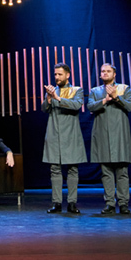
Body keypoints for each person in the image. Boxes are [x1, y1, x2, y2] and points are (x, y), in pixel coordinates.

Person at [88, 63, 131, 214]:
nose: (105, 73)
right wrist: (105, 100)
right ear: (100, 75)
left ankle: (123, 203)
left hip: (120, 135)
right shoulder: (95, 91)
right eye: (103, 71)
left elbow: (130, 106)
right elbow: (90, 107)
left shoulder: (124, 88)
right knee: (106, 171)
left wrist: (116, 97)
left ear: (115, 74)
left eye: (108, 71)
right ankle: (109, 203)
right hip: (102, 134)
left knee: (122, 171)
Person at [42, 63, 86, 213]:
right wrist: (48, 98)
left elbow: (76, 106)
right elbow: (44, 109)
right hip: (54, 134)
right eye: (55, 74)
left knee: (73, 169)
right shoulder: (52, 91)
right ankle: (57, 202)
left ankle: (72, 203)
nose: (57, 77)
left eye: (59, 74)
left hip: (71, 136)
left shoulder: (77, 90)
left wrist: (57, 97)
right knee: (55, 169)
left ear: (67, 75)